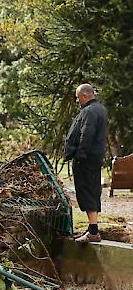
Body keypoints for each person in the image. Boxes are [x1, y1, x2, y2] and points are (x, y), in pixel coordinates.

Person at [63, 84, 108, 242]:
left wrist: (79, 156)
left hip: (86, 160)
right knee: (93, 191)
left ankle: (93, 232)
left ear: (84, 96)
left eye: (77, 97)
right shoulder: (101, 109)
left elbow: (86, 134)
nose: (77, 101)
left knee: (86, 192)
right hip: (95, 158)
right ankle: (91, 228)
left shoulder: (89, 111)